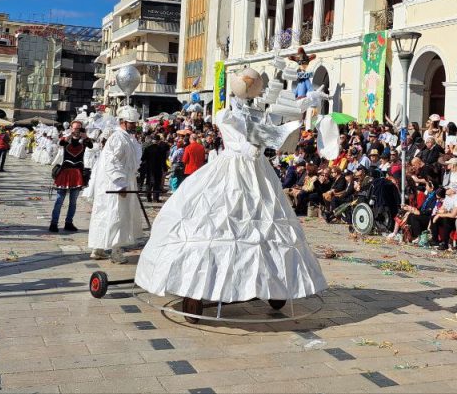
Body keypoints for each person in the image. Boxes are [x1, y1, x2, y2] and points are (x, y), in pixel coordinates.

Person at [135, 91, 327, 315]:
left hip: (258, 174)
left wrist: (298, 114)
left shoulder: (259, 114)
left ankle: (273, 283)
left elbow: (274, 135)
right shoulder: (227, 114)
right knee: (218, 220)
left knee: (263, 224)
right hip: (231, 171)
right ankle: (200, 285)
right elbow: (242, 141)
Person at [88, 106, 144, 260]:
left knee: (111, 214)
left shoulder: (128, 138)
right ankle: (115, 250)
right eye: (131, 123)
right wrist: (121, 183)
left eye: (134, 123)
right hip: (116, 184)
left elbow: (133, 161)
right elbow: (112, 162)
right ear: (123, 122)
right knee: (116, 215)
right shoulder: (118, 138)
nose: (134, 125)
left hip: (122, 181)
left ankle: (99, 248)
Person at [50, 121, 93, 233]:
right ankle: (54, 223)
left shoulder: (84, 141)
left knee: (73, 201)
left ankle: (69, 222)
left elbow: (91, 146)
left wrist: (86, 136)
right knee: (59, 200)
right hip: (65, 172)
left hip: (78, 173)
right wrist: (69, 134)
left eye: (79, 128)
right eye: (75, 128)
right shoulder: (66, 138)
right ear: (71, 128)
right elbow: (61, 143)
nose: (76, 130)